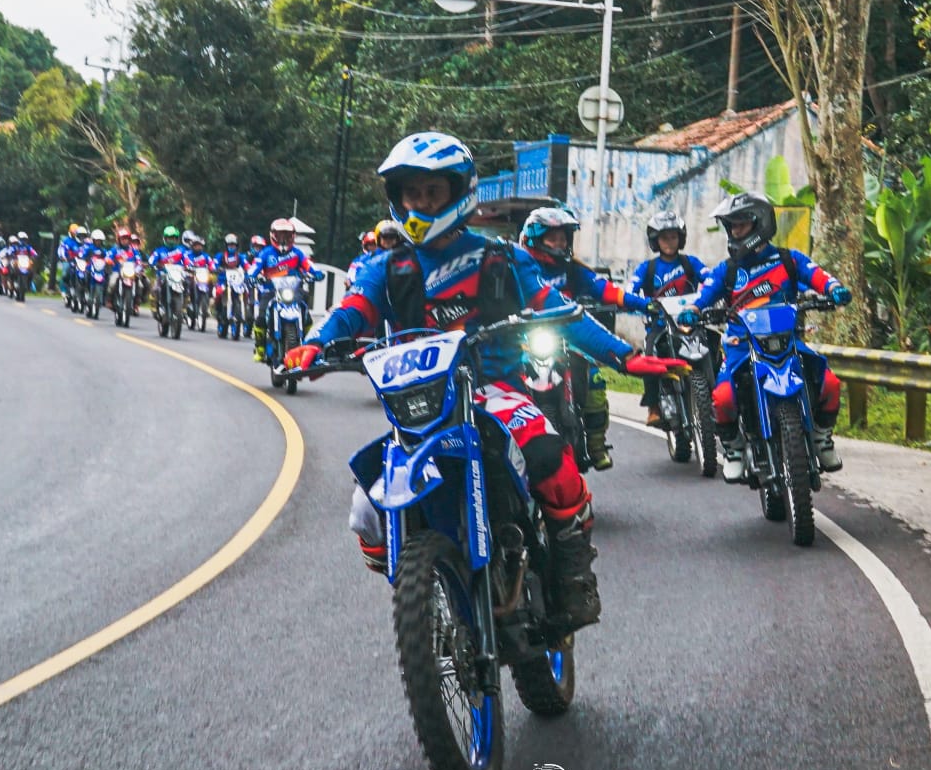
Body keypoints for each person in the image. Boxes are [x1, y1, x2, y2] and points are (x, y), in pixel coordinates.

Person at [284, 131, 684, 630]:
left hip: (496, 394)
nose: (420, 203)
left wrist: (625, 357)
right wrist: (315, 345)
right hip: (423, 409)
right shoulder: (389, 267)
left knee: (552, 461)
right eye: (411, 194)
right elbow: (351, 311)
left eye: (431, 193)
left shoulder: (502, 257)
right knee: (367, 510)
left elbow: (560, 312)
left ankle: (573, 578)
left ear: (458, 193)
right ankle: (424, 584)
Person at [681, 192, 853, 483]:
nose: (734, 231)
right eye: (731, 226)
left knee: (830, 384)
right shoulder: (728, 270)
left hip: (788, 341)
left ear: (759, 223)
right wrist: (693, 310)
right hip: (741, 345)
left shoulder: (788, 260)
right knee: (722, 398)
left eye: (740, 225)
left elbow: (819, 276)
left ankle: (822, 438)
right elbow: (704, 295)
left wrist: (834, 289)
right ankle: (734, 449)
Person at [519, 206, 651, 470]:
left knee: (595, 381)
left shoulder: (573, 269)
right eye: (552, 237)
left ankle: (596, 443)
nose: (559, 243)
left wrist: (643, 303)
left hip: (572, 339)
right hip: (526, 341)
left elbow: (602, 288)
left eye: (563, 237)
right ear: (535, 238)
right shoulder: (522, 267)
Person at [628, 210, 708, 425]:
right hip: (660, 326)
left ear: (680, 238)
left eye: (673, 236)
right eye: (664, 238)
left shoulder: (690, 263)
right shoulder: (648, 268)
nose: (669, 242)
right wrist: (639, 302)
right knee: (649, 354)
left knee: (714, 346)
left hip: (691, 323)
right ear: (656, 241)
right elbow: (630, 290)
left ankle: (716, 397)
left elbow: (711, 280)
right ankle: (653, 406)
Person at [248, 217, 323, 362]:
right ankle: (260, 347)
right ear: (273, 235)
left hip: (293, 292)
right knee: (261, 317)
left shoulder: (297, 253)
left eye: (286, 235)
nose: (283, 239)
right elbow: (254, 268)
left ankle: (312, 346)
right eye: (280, 235)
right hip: (270, 291)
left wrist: (316, 273)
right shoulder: (266, 253)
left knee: (306, 314)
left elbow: (309, 265)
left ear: (292, 236)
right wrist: (251, 276)